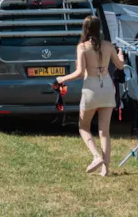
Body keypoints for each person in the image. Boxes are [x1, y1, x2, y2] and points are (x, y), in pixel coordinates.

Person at [56, 15, 125, 176]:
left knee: (83, 126)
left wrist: (62, 79)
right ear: (99, 28)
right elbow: (120, 66)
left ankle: (96, 156)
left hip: (91, 88)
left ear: (85, 29)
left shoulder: (82, 47)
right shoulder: (108, 45)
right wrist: (121, 55)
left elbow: (80, 73)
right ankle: (105, 169)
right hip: (107, 86)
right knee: (104, 131)